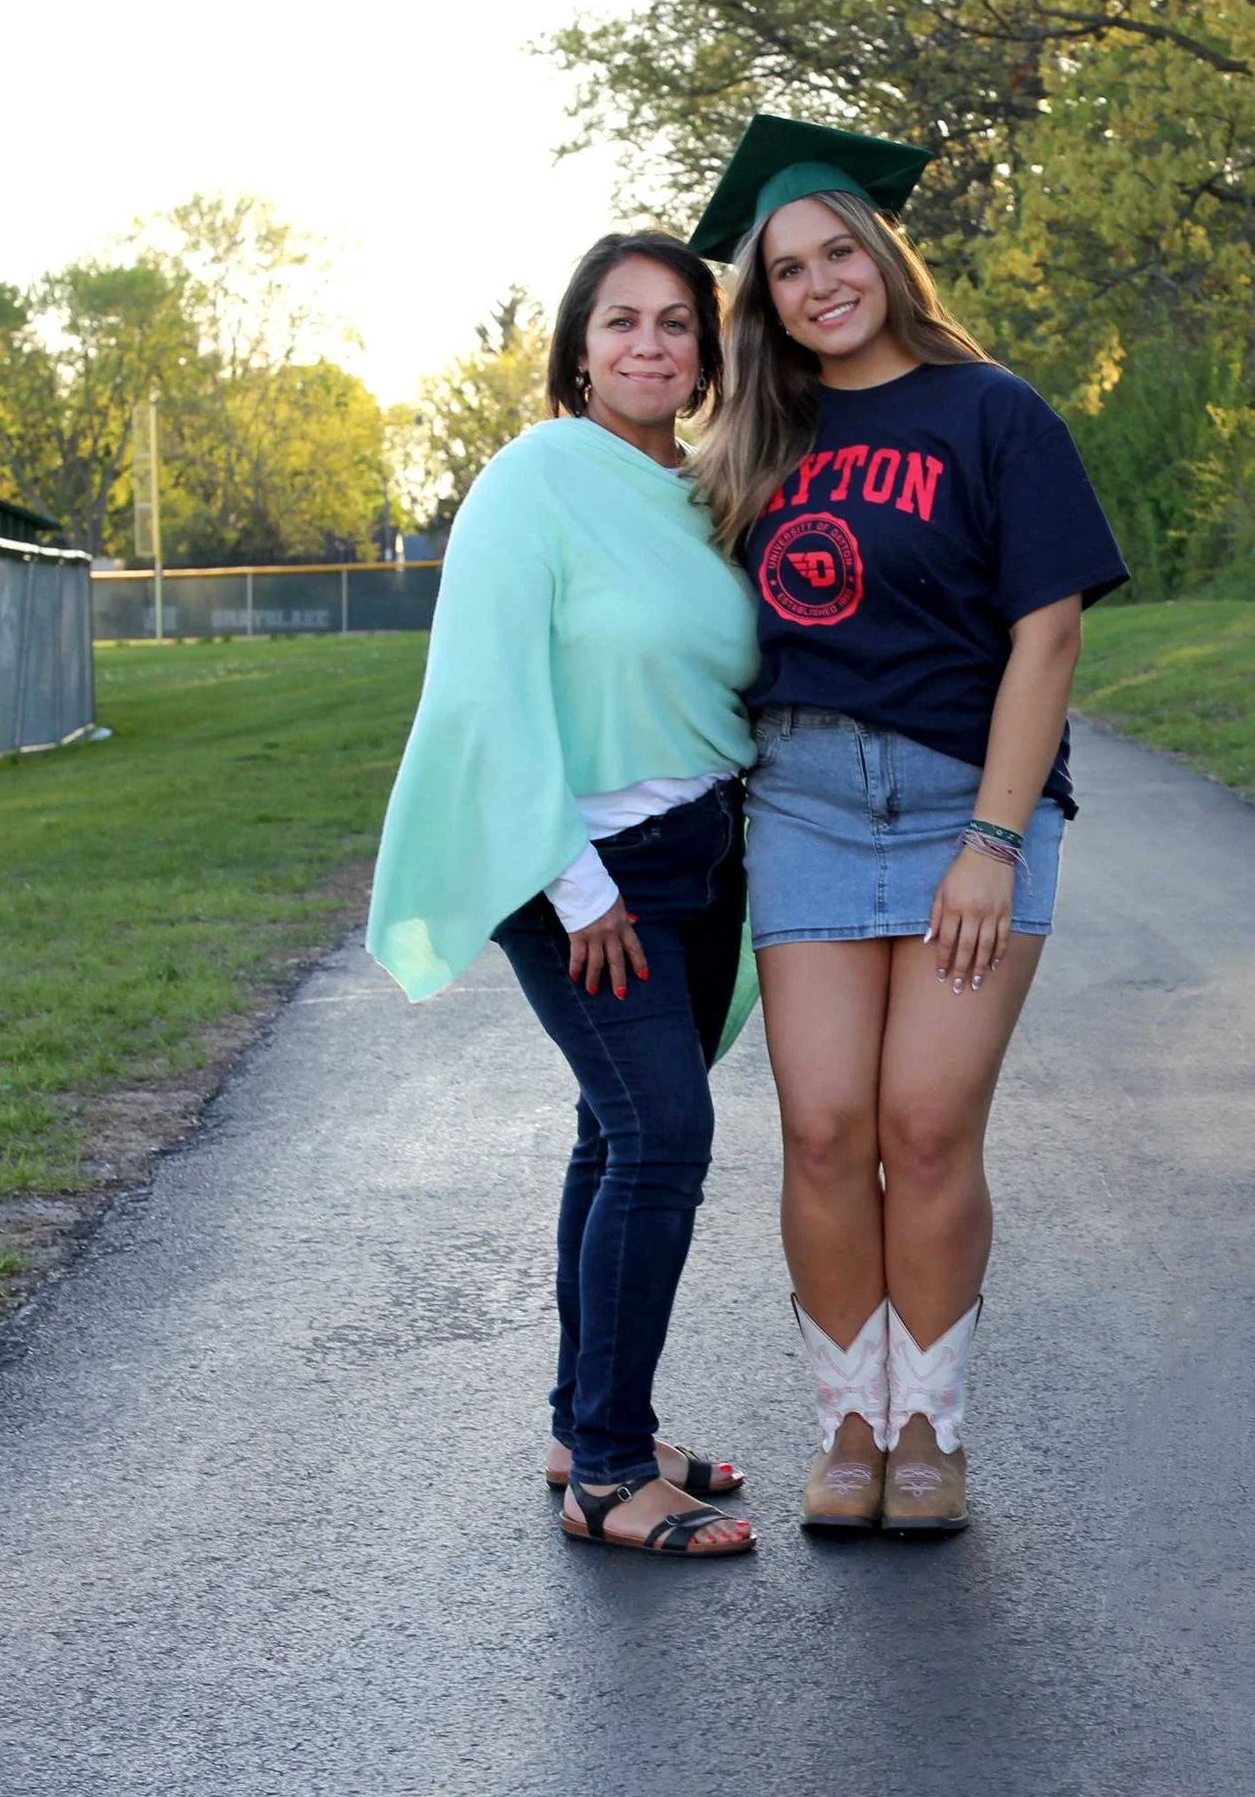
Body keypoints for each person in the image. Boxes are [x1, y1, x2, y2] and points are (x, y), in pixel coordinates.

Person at [688, 116, 1130, 1535]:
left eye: (838, 251)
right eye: (789, 272)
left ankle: (931, 1427)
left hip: (964, 803)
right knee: (824, 1129)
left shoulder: (995, 412)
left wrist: (993, 843)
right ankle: (851, 1427)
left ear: (882, 252)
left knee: (927, 1125)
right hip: (807, 799)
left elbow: (1046, 637)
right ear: (765, 305)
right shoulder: (755, 441)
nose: (822, 284)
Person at [367, 231, 760, 1559]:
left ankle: (585, 1420)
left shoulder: (708, 493)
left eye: (675, 323)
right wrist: (581, 890)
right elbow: (488, 694)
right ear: (578, 352)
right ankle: (607, 1475)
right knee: (662, 1137)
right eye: (621, 322)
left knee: (615, 1131)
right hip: (588, 875)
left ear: (706, 353)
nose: (650, 343)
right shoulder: (531, 482)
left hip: (707, 862)